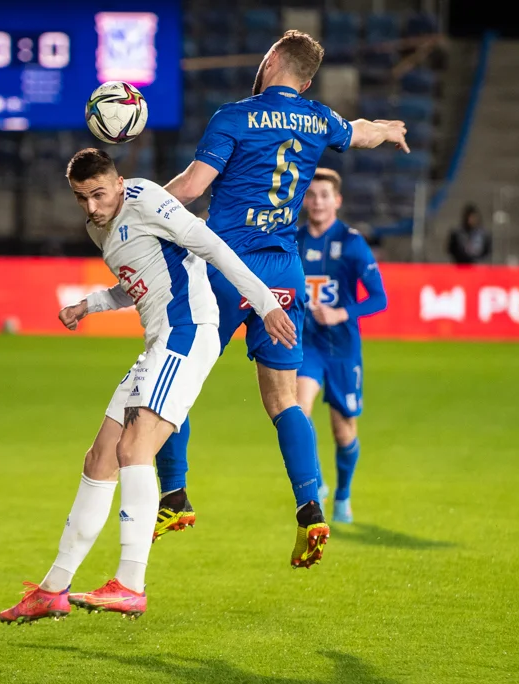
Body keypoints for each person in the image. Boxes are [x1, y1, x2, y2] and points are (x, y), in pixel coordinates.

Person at [0, 149, 295, 624]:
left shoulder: (147, 199)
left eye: (98, 193)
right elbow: (135, 284)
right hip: (157, 342)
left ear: (118, 182)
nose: (92, 207)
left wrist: (265, 304)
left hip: (187, 332)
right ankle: (53, 588)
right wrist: (88, 305)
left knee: (135, 448)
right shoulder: (99, 228)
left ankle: (130, 584)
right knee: (99, 458)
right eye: (81, 198)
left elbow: (211, 246)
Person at [150, 30, 410, 568]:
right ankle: (310, 508)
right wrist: (385, 129)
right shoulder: (317, 118)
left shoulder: (234, 115)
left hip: (225, 266)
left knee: (171, 378)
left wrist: (140, 204)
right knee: (284, 401)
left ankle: (174, 497)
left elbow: (195, 186)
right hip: (283, 272)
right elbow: (356, 133)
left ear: (270, 61)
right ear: (308, 80)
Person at [296, 169, 388, 524]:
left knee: (343, 430)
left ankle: (344, 494)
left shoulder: (351, 243)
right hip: (307, 346)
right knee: (298, 411)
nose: (317, 202)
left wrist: (342, 313)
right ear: (304, 200)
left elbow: (379, 298)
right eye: (312, 195)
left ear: (337, 201)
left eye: (324, 195)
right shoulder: (295, 240)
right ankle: (316, 482)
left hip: (342, 349)